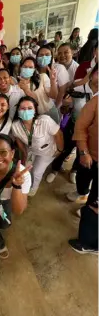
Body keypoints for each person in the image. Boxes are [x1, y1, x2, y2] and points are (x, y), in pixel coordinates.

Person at [47, 64, 98, 186]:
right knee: (65, 149)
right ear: (91, 74)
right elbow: (65, 110)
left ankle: (74, 171)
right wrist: (66, 105)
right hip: (73, 126)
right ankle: (55, 169)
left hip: (92, 135)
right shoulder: (78, 88)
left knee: (82, 154)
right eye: (98, 73)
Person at [12, 96, 64, 196]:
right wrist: (24, 155)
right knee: (26, 169)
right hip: (31, 149)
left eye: (29, 108)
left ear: (35, 110)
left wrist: (60, 150)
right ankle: (26, 184)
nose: (26, 111)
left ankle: (34, 188)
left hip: (47, 151)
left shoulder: (45, 121)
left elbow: (59, 134)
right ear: (18, 110)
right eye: (22, 108)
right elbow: (19, 142)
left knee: (36, 172)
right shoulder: (16, 125)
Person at [68, 95, 98, 254]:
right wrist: (84, 152)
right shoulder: (96, 101)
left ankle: (89, 244)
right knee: (85, 185)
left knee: (95, 206)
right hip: (91, 156)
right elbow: (80, 127)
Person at [18, 57, 59, 123]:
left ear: (34, 69)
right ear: (21, 67)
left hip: (49, 112)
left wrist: (53, 81)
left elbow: (54, 96)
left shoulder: (42, 77)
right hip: (33, 117)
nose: (27, 69)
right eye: (25, 67)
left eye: (31, 67)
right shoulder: (18, 84)